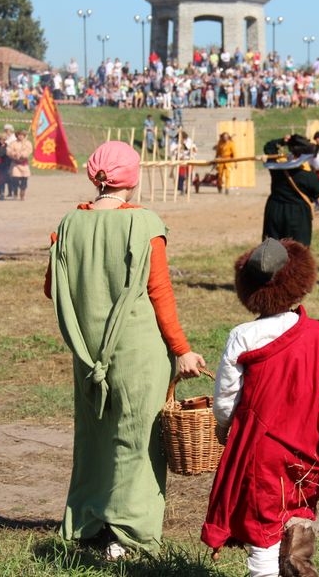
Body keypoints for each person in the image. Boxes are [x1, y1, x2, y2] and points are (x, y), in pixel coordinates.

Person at [46, 141, 205, 560]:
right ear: (132, 179)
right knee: (138, 438)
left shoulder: (68, 224)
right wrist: (182, 350)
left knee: (94, 437)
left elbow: (52, 288)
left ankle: (89, 519)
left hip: (87, 350)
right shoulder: (144, 223)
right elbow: (160, 292)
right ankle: (128, 531)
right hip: (138, 350)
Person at [202, 238, 319, 577]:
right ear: (299, 281)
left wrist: (223, 424)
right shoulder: (316, 334)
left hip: (260, 453)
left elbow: (226, 394)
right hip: (305, 453)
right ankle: (297, 564)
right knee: (296, 512)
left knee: (264, 527)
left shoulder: (242, 336)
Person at [261, 135, 319, 246]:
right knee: (297, 250)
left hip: (274, 210)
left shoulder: (276, 170)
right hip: (297, 213)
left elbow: (269, 147)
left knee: (272, 249)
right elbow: (317, 192)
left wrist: (283, 140)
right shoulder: (308, 176)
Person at [6, 129, 33, 201]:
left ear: (24, 136)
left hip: (24, 164)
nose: (20, 136)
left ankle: (22, 193)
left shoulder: (27, 143)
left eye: (22, 135)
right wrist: (14, 154)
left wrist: (22, 154)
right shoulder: (13, 143)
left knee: (24, 180)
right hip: (15, 164)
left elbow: (29, 151)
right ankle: (15, 193)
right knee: (15, 180)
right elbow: (8, 151)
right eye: (19, 135)